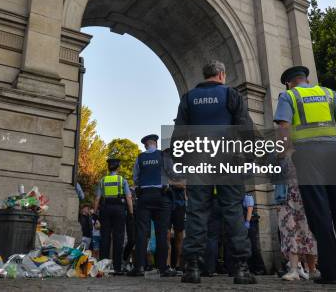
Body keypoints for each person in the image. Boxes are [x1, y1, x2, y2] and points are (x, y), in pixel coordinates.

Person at [274, 65, 336, 285]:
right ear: (307, 79)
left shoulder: (289, 96)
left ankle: (332, 274)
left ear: (288, 82)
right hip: (334, 155)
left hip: (307, 157)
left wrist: (282, 152)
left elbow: (284, 126)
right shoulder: (328, 93)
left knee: (320, 216)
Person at [176, 60, 256, 284]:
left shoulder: (189, 98)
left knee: (196, 212)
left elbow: (179, 134)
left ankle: (191, 268)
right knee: (232, 211)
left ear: (205, 75)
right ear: (221, 74)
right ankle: (241, 269)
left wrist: (181, 161)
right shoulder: (231, 94)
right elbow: (245, 126)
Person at [127, 134, 178, 277]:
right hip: (161, 196)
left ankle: (139, 267)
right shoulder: (163, 156)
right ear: (156, 143)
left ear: (145, 145)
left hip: (144, 196)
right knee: (162, 233)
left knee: (142, 233)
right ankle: (163, 268)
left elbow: (135, 178)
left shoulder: (140, 157)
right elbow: (173, 174)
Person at [275, 159, 318, 281]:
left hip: (304, 197)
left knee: (307, 231)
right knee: (289, 232)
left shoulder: (304, 151)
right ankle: (294, 269)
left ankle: (312, 269)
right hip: (286, 197)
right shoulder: (279, 155)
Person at [94, 155, 134, 275]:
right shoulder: (122, 180)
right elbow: (128, 197)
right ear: (118, 167)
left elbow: (97, 198)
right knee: (119, 238)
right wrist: (131, 212)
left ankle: (103, 266)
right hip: (119, 209)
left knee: (105, 236)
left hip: (105, 208)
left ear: (108, 167)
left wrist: (95, 212)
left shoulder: (103, 180)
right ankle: (117, 267)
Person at [244, 192, 267, 275]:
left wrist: (247, 221)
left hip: (251, 222)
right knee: (248, 247)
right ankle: (252, 268)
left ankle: (260, 268)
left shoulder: (247, 196)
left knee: (253, 246)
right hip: (246, 223)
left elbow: (250, 210)